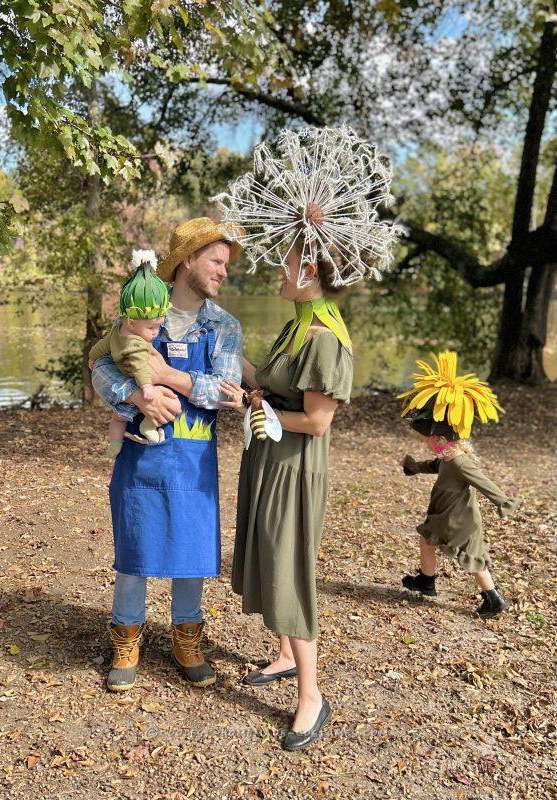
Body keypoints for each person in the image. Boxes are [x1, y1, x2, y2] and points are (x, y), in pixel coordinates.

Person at [214, 126, 402, 750]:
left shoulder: (325, 337)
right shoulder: (300, 327)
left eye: (286, 261)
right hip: (272, 458)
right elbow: (272, 387)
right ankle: (285, 655)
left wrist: (271, 418)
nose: (277, 269)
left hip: (296, 465)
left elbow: (318, 421)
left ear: (311, 268)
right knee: (270, 556)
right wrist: (231, 358)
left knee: (291, 568)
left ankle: (311, 695)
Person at [91, 217, 242, 692]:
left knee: (193, 549)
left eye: (225, 264)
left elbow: (228, 392)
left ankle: (187, 637)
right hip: (141, 452)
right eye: (215, 261)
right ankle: (127, 636)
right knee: (135, 547)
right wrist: (137, 398)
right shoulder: (141, 311)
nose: (222, 271)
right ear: (187, 260)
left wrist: (171, 379)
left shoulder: (223, 326)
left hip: (194, 458)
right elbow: (99, 366)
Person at [398, 351, 521, 618]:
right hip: (448, 514)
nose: (428, 444)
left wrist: (504, 502)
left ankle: (492, 599)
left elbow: (483, 482)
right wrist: (415, 467)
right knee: (430, 541)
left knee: (473, 559)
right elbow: (434, 466)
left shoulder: (461, 462)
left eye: (429, 440)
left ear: (441, 440)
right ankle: (428, 581)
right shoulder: (447, 457)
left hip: (458, 519)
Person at [89, 250, 171, 458]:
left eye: (159, 326)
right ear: (133, 323)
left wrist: (91, 358)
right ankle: (148, 424)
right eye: (152, 328)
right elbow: (140, 366)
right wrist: (146, 388)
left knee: (117, 419)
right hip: (136, 385)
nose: (156, 332)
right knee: (172, 402)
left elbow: (101, 346)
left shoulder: (118, 331)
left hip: (122, 383)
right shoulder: (137, 344)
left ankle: (114, 445)